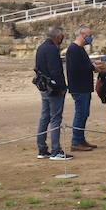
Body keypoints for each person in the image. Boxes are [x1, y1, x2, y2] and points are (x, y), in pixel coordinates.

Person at [34, 26, 70, 160]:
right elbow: (56, 71)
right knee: (55, 118)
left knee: (44, 118)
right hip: (53, 89)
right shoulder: (52, 49)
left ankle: (42, 149)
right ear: (57, 36)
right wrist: (62, 87)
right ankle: (56, 150)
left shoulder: (41, 47)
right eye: (62, 36)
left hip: (44, 87)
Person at [65, 25, 100, 151]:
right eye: (89, 35)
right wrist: (92, 67)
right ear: (83, 35)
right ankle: (76, 141)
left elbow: (83, 64)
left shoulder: (79, 49)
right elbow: (77, 68)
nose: (91, 38)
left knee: (84, 113)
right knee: (80, 114)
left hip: (83, 87)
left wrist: (92, 65)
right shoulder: (74, 49)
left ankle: (80, 139)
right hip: (79, 87)